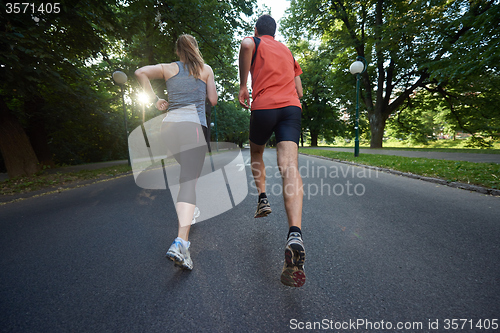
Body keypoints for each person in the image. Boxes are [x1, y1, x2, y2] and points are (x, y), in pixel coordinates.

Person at [135, 34, 218, 270]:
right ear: (195, 48)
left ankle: (191, 210)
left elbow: (140, 72)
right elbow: (213, 100)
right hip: (193, 126)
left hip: (169, 128)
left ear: (178, 51)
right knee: (189, 180)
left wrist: (155, 99)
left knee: (188, 175)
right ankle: (181, 242)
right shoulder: (206, 69)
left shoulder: (169, 68)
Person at [238, 15, 305, 287]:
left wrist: (244, 86)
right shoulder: (287, 51)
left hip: (264, 107)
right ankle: (295, 233)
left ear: (257, 30)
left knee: (256, 153)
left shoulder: (254, 41)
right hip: (291, 109)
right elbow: (299, 90)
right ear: (275, 32)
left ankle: (263, 197)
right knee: (289, 166)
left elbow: (244, 45)